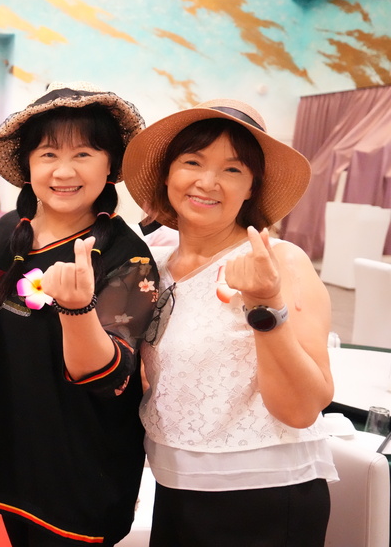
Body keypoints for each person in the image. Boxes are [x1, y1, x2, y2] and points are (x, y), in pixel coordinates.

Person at [121, 99, 336, 546]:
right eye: (192, 162)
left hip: (266, 495)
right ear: (166, 174)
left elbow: (303, 409)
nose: (207, 182)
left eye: (232, 169)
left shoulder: (280, 262)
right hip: (176, 487)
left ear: (252, 186)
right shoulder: (153, 268)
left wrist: (266, 305)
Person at [0, 82, 159, 546]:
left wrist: (77, 308)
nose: (64, 171)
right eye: (48, 154)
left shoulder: (127, 256)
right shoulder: (7, 231)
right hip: (10, 450)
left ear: (110, 165)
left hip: (81, 468)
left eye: (84, 154)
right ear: (28, 165)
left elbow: (107, 377)